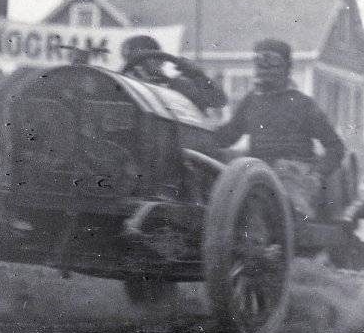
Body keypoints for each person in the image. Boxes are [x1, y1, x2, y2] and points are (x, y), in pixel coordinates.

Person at [214, 38, 345, 218]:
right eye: (261, 65)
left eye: (274, 65)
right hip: (258, 174)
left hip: (294, 175)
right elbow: (227, 136)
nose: (266, 71)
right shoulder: (251, 102)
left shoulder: (303, 104)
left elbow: (335, 147)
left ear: (287, 68)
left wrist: (316, 176)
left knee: (290, 205)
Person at [120, 35, 227, 112]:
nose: (140, 67)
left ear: (160, 60)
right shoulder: (121, 86)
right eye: (135, 61)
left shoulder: (177, 86)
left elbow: (218, 100)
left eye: (149, 59)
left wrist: (198, 75)